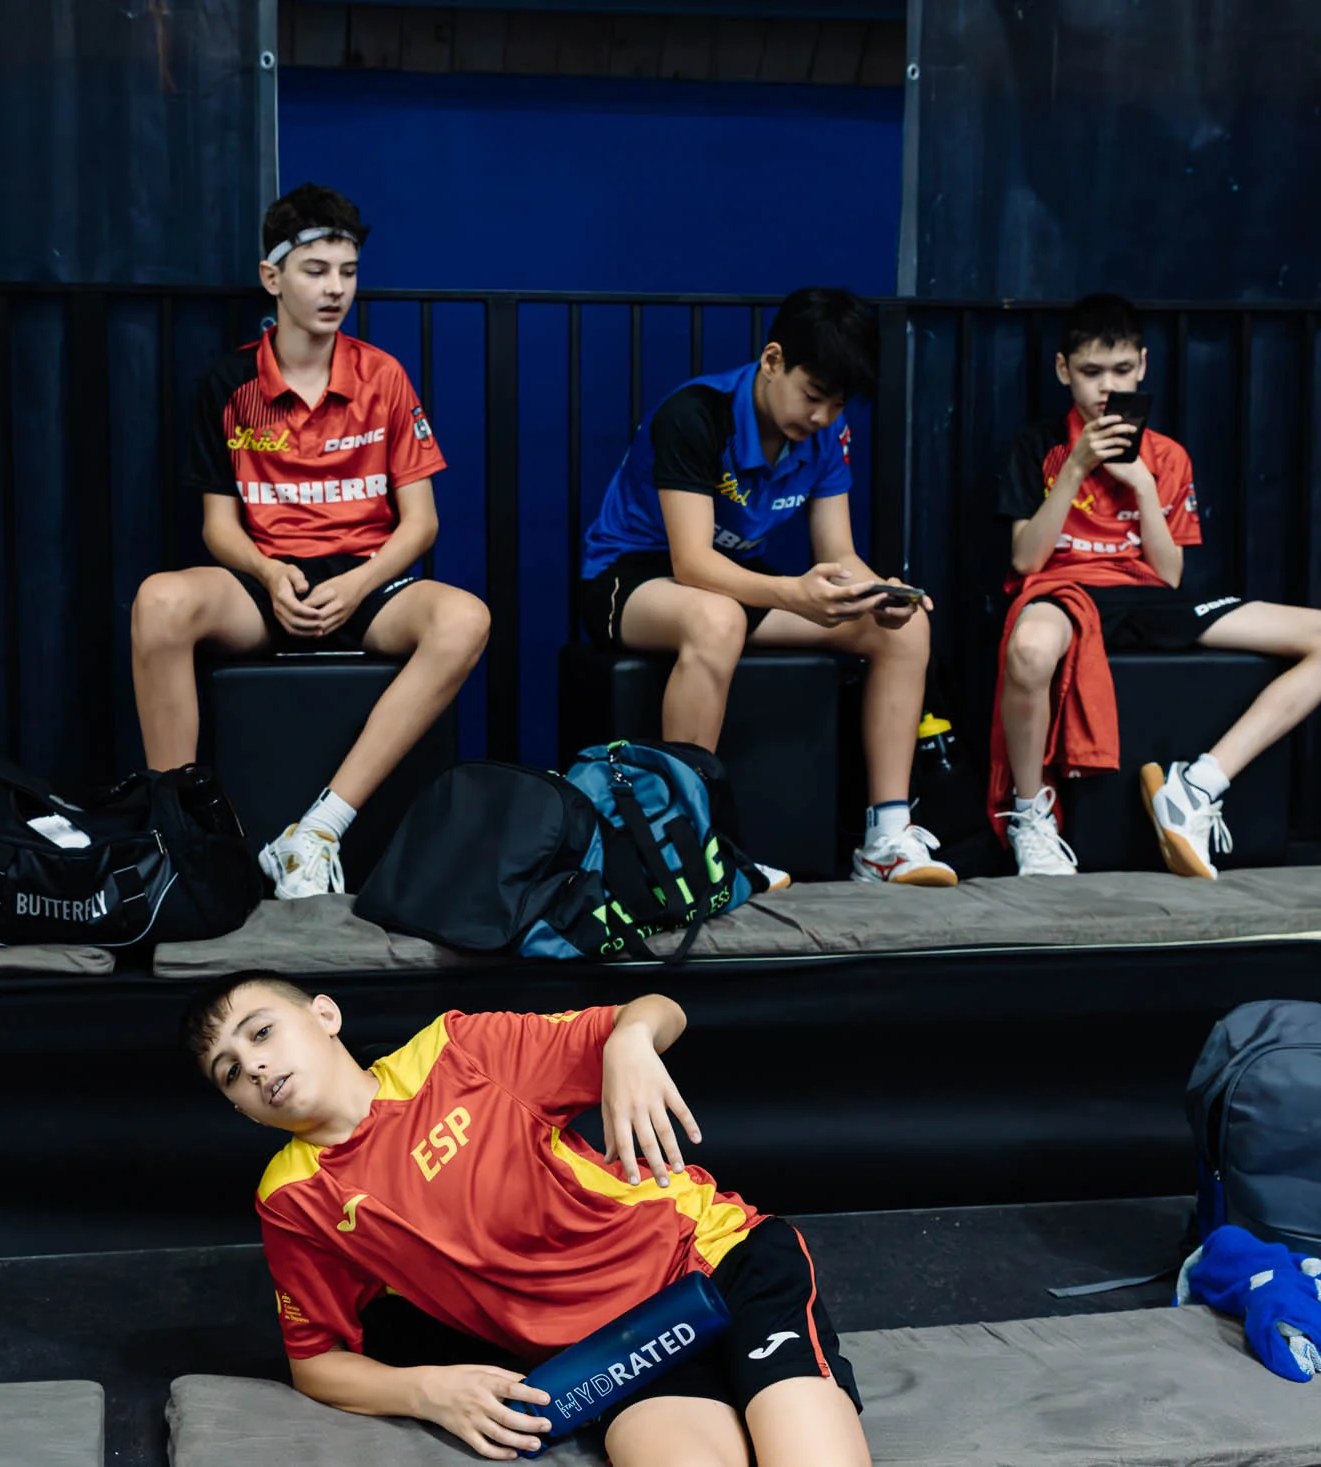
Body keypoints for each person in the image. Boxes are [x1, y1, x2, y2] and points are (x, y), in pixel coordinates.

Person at [184, 973, 869, 1466]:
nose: (257, 1065)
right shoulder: (294, 1197)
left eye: (262, 1031)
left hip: (718, 1261)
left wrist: (630, 1038)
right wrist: (428, 1391)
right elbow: (315, 1364)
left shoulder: (457, 1051)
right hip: (616, 1350)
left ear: (326, 1014)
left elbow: (659, 1010)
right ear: (241, 1109)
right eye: (231, 1072)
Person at [130, 185, 489, 900]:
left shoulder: (383, 375)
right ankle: (178, 836)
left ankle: (319, 830)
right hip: (267, 584)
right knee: (159, 601)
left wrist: (356, 584)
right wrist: (268, 574)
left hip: (365, 582)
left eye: (347, 272)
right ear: (273, 277)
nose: (334, 289)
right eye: (316, 270)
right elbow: (218, 527)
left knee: (465, 618)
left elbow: (420, 523)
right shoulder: (229, 382)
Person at [577, 287, 953, 888]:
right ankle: (686, 844)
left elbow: (837, 554)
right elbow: (692, 562)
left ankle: (886, 838)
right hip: (632, 579)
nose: (822, 417)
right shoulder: (695, 414)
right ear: (773, 360)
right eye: (812, 396)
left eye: (836, 404)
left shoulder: (827, 433)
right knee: (716, 617)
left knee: (905, 631)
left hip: (737, 583)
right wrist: (793, 594)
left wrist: (877, 591)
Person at [992, 294, 1321, 878]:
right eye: (1091, 372)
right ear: (1064, 371)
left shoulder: (1168, 456)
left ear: (1142, 366)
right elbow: (1025, 558)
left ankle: (1197, 786)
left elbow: (1169, 576)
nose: (1107, 388)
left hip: (1147, 594)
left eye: (1121, 370)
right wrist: (1075, 469)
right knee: (1030, 649)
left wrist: (1142, 486)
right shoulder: (1037, 446)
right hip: (1064, 588)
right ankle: (1032, 817)